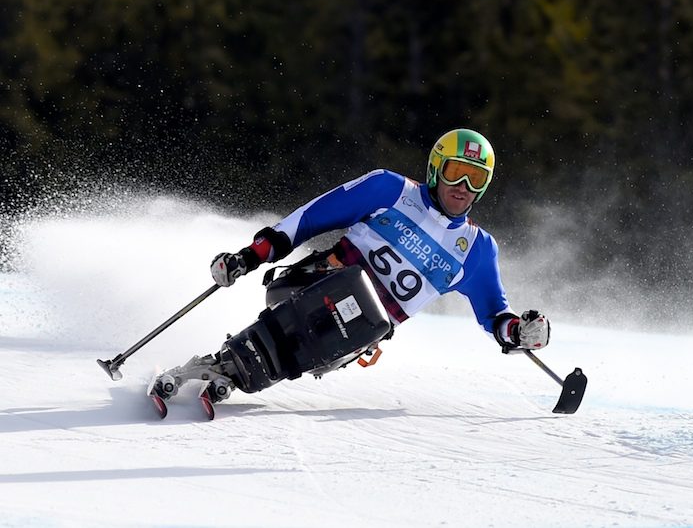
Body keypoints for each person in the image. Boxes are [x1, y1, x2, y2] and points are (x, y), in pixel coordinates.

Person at [149, 129, 551, 413]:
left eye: (475, 178)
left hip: (349, 335)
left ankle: (233, 372)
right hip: (309, 287)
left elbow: (495, 315)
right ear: (435, 169)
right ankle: (231, 362)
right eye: (454, 172)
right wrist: (252, 255)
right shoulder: (391, 191)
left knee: (369, 318)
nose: (462, 185)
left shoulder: (477, 250)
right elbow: (311, 218)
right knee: (355, 289)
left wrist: (519, 331)